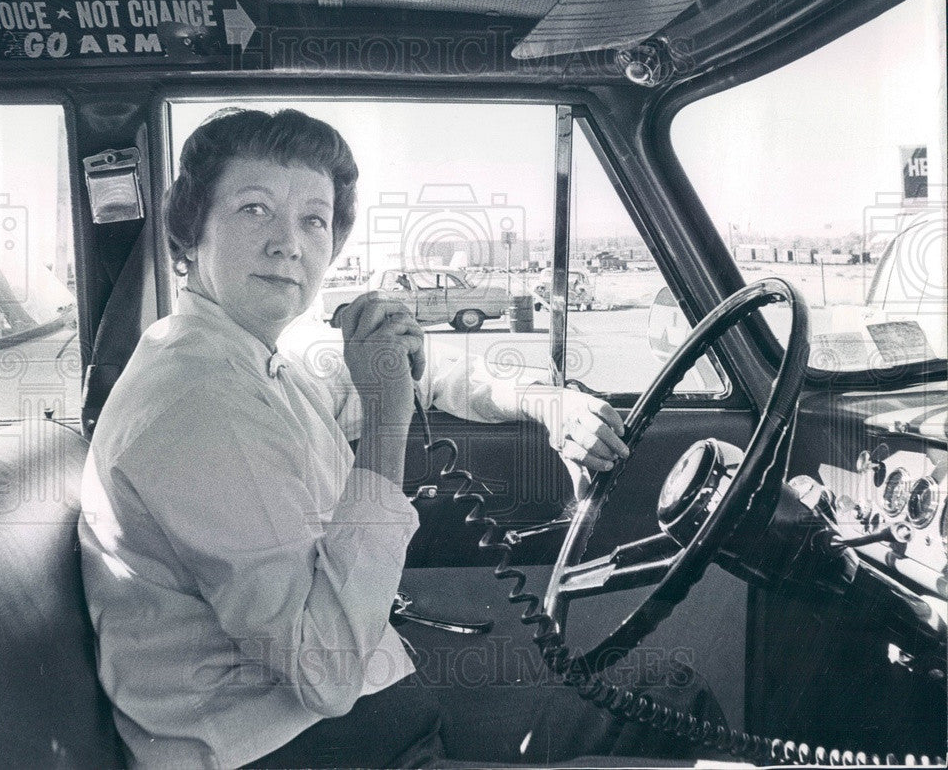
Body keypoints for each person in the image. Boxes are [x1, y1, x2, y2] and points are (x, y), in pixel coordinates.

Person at [78, 107, 712, 769]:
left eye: (313, 220)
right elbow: (324, 670)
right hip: (295, 749)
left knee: (667, 694)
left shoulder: (257, 355)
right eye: (254, 209)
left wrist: (546, 403)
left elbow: (431, 374)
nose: (287, 243)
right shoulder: (199, 402)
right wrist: (386, 417)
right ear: (191, 230)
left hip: (364, 724)